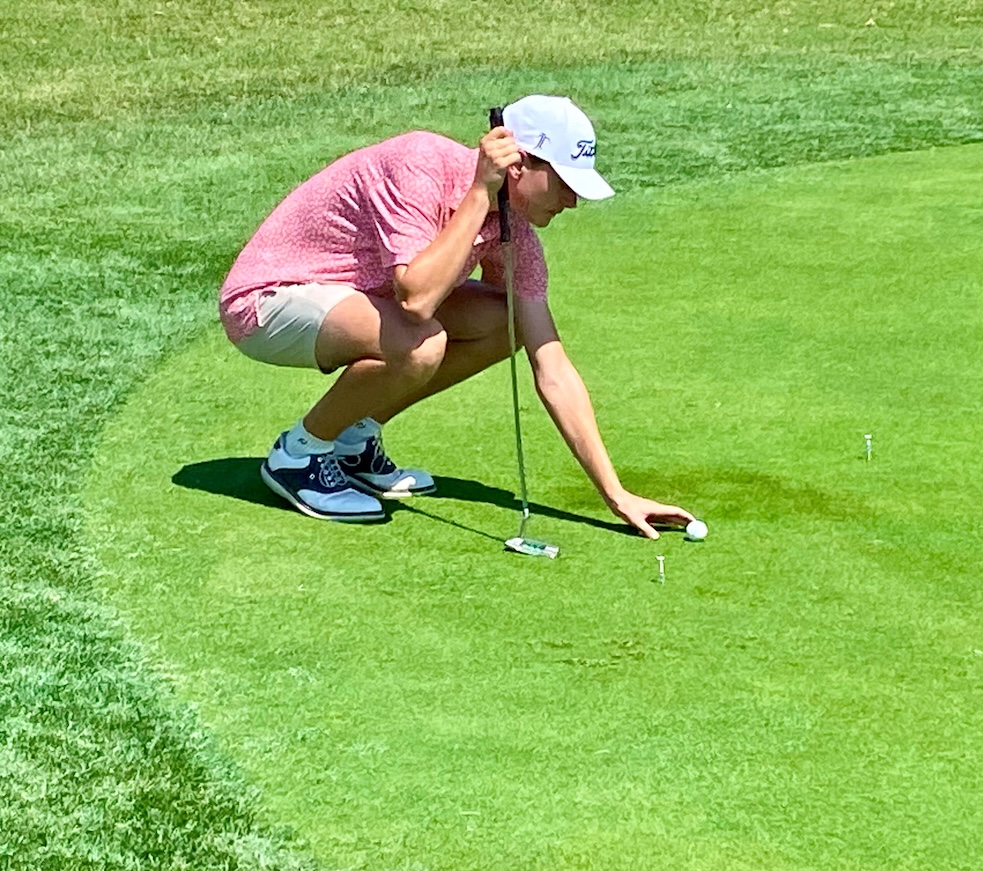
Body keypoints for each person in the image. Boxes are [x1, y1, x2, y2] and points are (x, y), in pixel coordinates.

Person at [219, 94, 693, 539]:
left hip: (355, 299)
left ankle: (352, 438)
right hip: (267, 301)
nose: (572, 201)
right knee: (421, 342)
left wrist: (616, 494)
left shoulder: (515, 231)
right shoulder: (419, 163)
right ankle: (300, 453)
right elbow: (416, 301)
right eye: (565, 184)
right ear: (518, 164)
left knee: (505, 320)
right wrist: (481, 192)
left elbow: (551, 365)